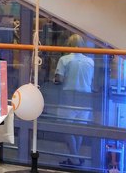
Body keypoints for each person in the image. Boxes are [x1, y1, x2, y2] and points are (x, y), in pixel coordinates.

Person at [54, 33, 94, 167]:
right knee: (79, 128)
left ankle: (74, 158)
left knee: (66, 127)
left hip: (69, 96)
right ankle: (74, 158)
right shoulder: (90, 61)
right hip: (86, 97)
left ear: (69, 44)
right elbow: (91, 80)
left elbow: (58, 79)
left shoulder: (64, 59)